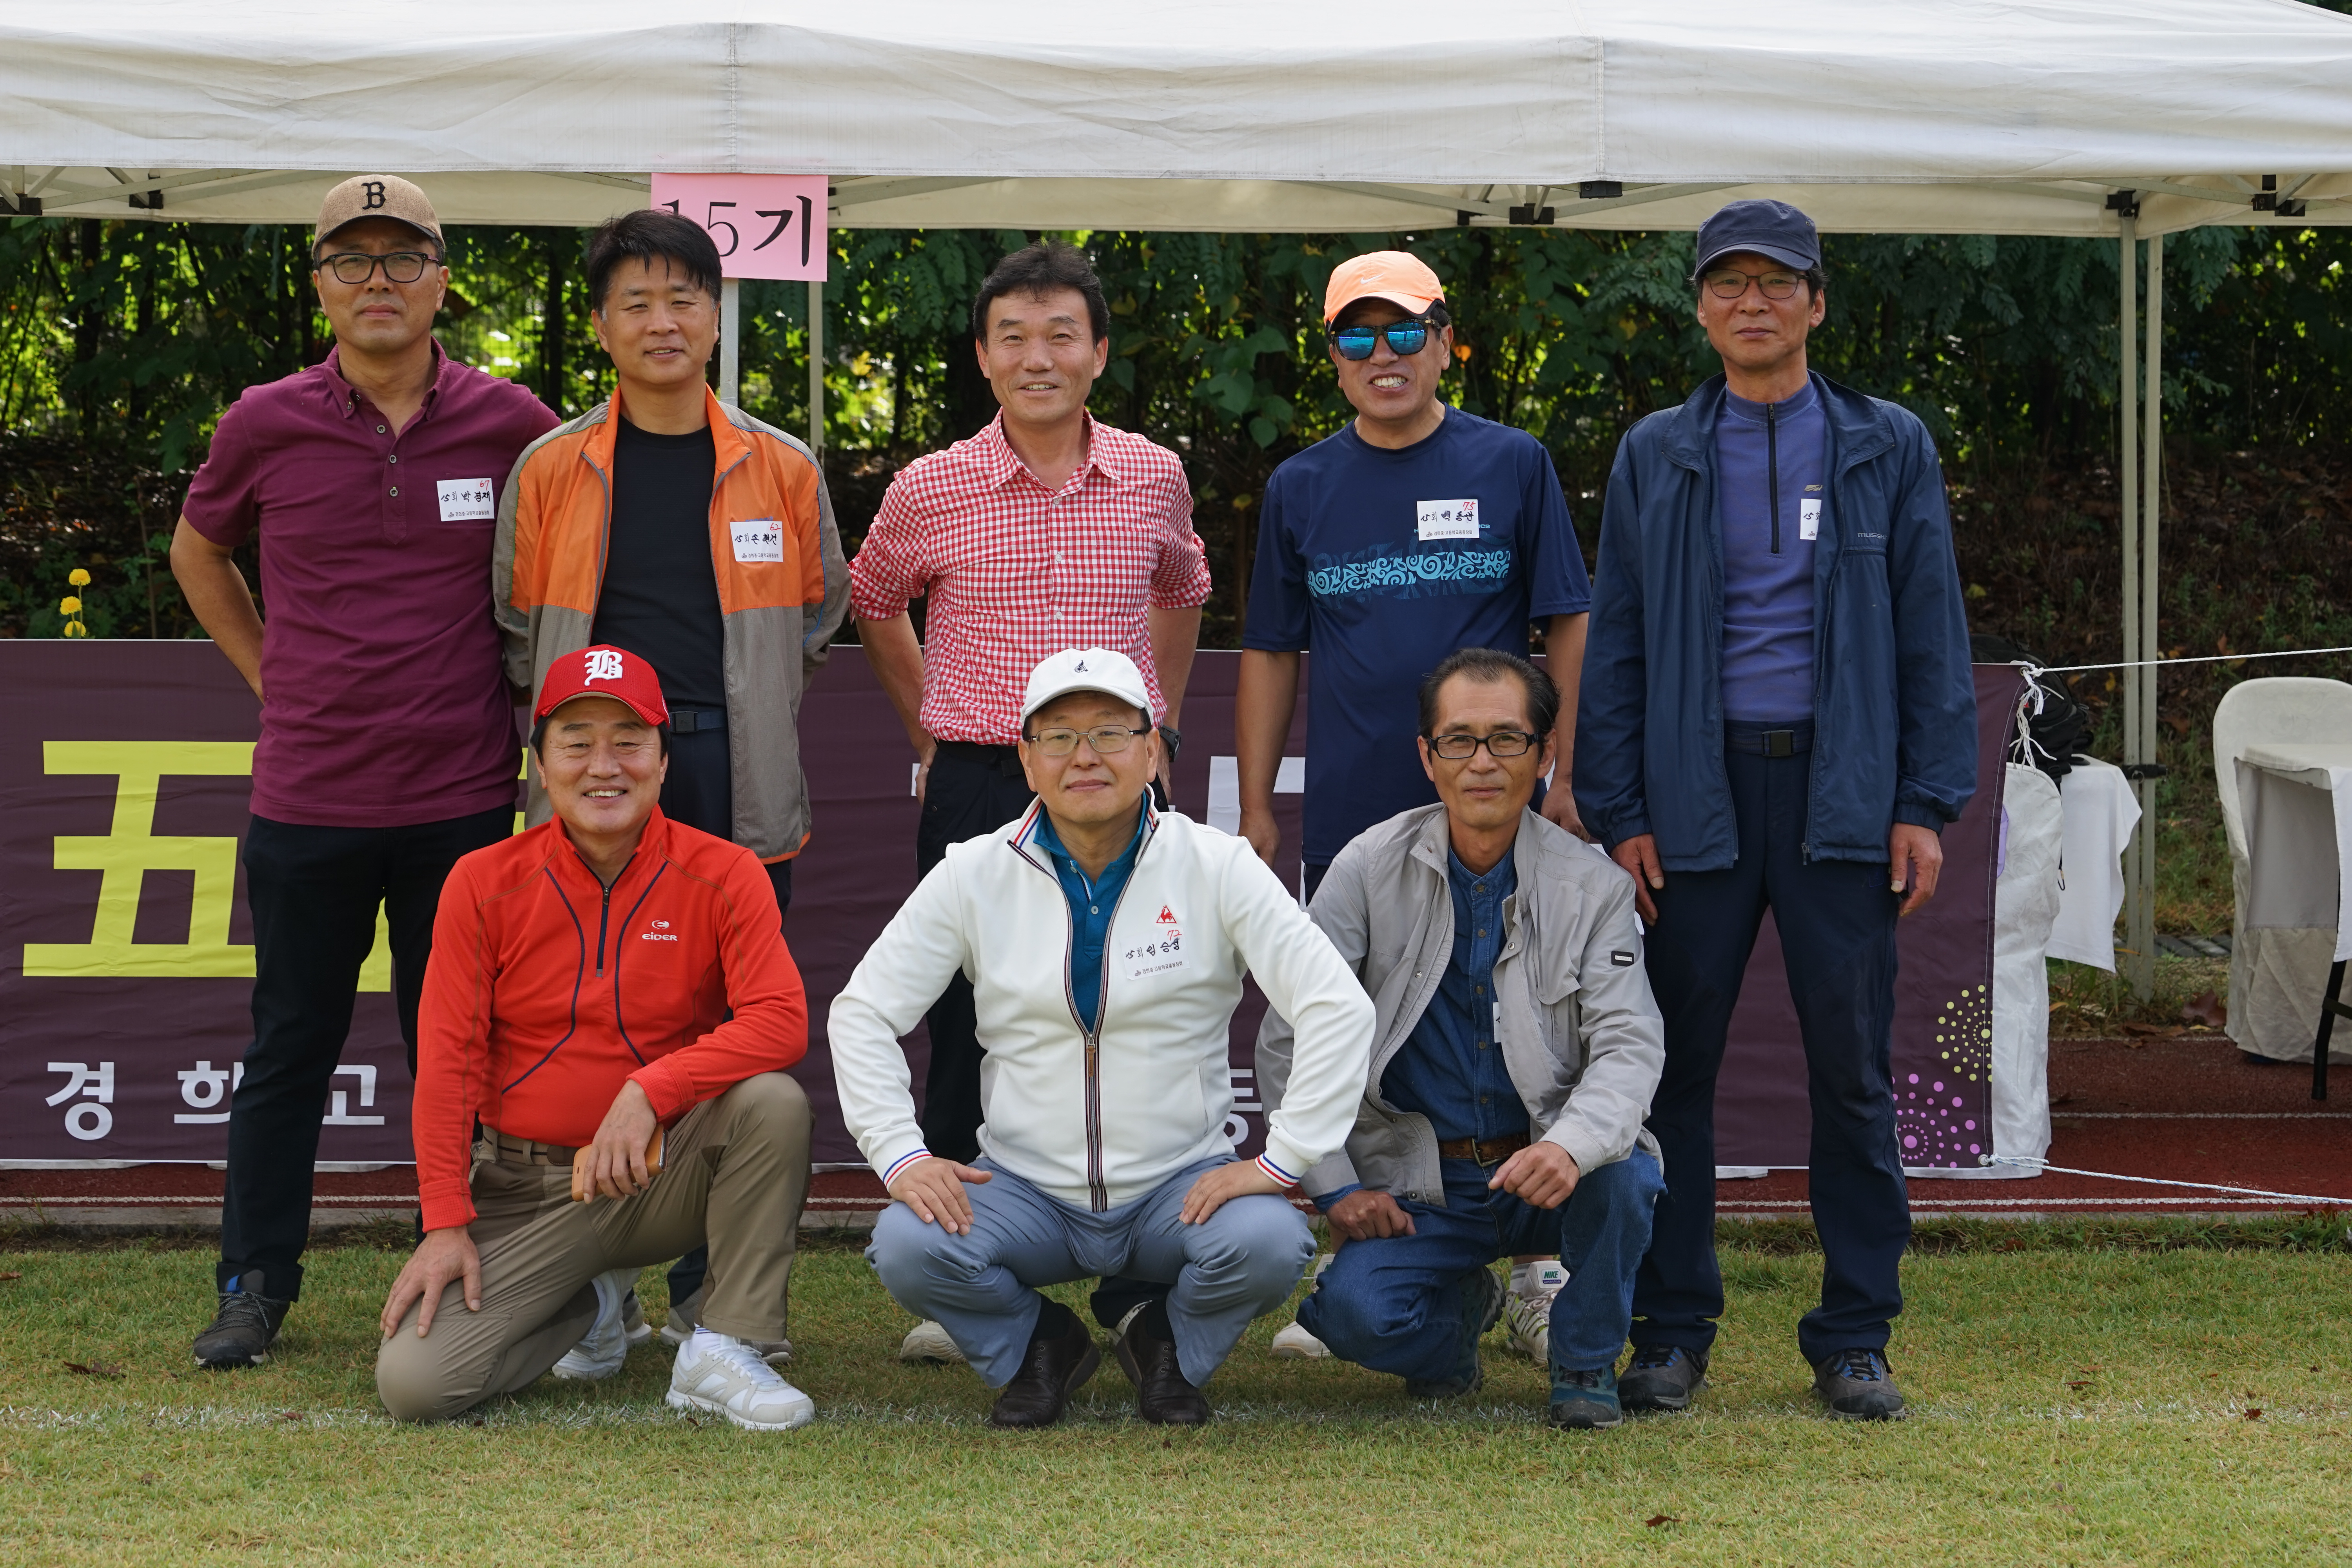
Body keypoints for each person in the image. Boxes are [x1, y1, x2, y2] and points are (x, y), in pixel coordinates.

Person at [1573, 200, 1977, 1421]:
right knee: (1671, 1071)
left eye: (1778, 282)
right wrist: (1621, 803)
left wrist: (1925, 800)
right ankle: (1673, 1328)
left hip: (1842, 792)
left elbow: (1930, 630)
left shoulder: (1885, 441)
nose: (1754, 303)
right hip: (1694, 794)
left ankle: (1854, 1333)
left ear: (1815, 300)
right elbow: (1622, 636)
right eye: (1729, 283)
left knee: (1850, 1071)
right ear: (1700, 306)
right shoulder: (1656, 448)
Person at [170, 175, 560, 1369]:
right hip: (307, 797)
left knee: (458, 1050)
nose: (379, 280)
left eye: (404, 258)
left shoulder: (513, 424)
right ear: (321, 283)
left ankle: (501, 1273)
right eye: (354, 260)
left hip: (460, 802)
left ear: (444, 280)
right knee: (290, 1042)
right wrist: (270, 672)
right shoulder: (264, 420)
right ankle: (255, 1283)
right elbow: (199, 549)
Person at [832, 648, 1374, 1427]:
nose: (1085, 756)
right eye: (1058, 736)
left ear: (1153, 748)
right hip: (1026, 1190)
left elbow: (1335, 1004)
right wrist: (900, 1151)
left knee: (1269, 1240)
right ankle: (1039, 1346)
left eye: (1112, 732)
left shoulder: (1217, 865)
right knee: (907, 1245)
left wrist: (1283, 1157)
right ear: (1025, 758)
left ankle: (1167, 1348)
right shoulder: (972, 872)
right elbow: (863, 1012)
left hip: (1177, 1187)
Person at [496, 207, 848, 1362]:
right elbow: (517, 623)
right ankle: (595, 1282)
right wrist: (594, 743)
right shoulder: (551, 467)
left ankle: (710, 1290)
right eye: (636, 301)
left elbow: (817, 613)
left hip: (736, 774)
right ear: (601, 325)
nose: (662, 321)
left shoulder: (779, 464)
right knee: (593, 1018)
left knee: (732, 1028)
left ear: (716, 318)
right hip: (599, 772)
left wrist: (732, 704)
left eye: (684, 299)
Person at [849, 241, 1211, 1361]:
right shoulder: (931, 485)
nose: (1038, 356)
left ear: (1099, 353)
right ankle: (965, 1269)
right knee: (967, 1015)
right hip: (981, 776)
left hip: (1118, 768)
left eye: (1062, 334)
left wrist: (1164, 722)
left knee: (1134, 999)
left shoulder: (1153, 472)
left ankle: (1141, 1266)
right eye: (1013, 336)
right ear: (983, 356)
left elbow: (1184, 588)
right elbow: (874, 599)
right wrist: (932, 723)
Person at [1237, 249, 1594, 1361]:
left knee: (1524, 1012)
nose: (1383, 356)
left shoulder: (1513, 462)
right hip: (1355, 813)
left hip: (1502, 803)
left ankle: (1540, 1268)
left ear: (1447, 341)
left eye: (1406, 333)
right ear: (1333, 359)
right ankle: (1385, 1240)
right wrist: (1255, 802)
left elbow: (1569, 621)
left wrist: (1568, 772)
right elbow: (1270, 648)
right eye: (1357, 335)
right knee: (1355, 1022)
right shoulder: (1301, 487)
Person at [376, 646, 817, 1429]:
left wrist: (653, 1087)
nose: (603, 765)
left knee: (772, 1103)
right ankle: (587, 1303)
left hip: (654, 1176)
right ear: (542, 765)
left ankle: (727, 1343)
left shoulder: (726, 870)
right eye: (576, 742)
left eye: (629, 740)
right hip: (520, 1191)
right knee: (416, 1385)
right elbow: (447, 1062)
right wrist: (445, 1221)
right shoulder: (483, 879)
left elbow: (781, 1019)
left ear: (662, 759)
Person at [1258, 649, 1664, 1429]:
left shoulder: (1596, 887)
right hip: (1423, 1183)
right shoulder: (1367, 868)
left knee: (1628, 1174)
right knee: (1350, 1315)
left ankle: (1583, 1363)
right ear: (1427, 756)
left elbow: (1628, 1045)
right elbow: (1289, 1037)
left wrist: (1572, 1145)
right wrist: (1339, 1185)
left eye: (1508, 740)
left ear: (1545, 755)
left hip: (1546, 1165)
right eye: (1459, 740)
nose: (1483, 762)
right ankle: (1456, 1332)